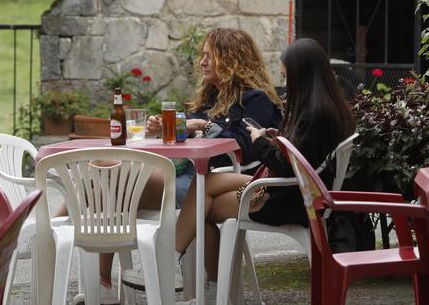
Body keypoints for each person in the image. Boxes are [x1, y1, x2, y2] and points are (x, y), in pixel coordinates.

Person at [88, 28, 283, 301]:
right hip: (193, 177)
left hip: (221, 179)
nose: (202, 62)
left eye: (209, 56)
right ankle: (103, 286)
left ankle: (96, 279)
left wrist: (199, 127)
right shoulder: (210, 97)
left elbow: (244, 146)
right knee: (103, 181)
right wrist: (170, 129)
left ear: (231, 59)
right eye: (202, 55)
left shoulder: (254, 99)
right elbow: (187, 144)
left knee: (106, 172)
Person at [172, 37, 356, 271]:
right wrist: (274, 137)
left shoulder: (314, 114)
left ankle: (186, 272)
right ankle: (206, 283)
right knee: (204, 184)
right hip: (294, 189)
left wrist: (260, 143)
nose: (286, 83)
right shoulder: (326, 109)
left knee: (202, 208)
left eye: (287, 76)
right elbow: (300, 155)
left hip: (287, 196)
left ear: (302, 76)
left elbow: (287, 166)